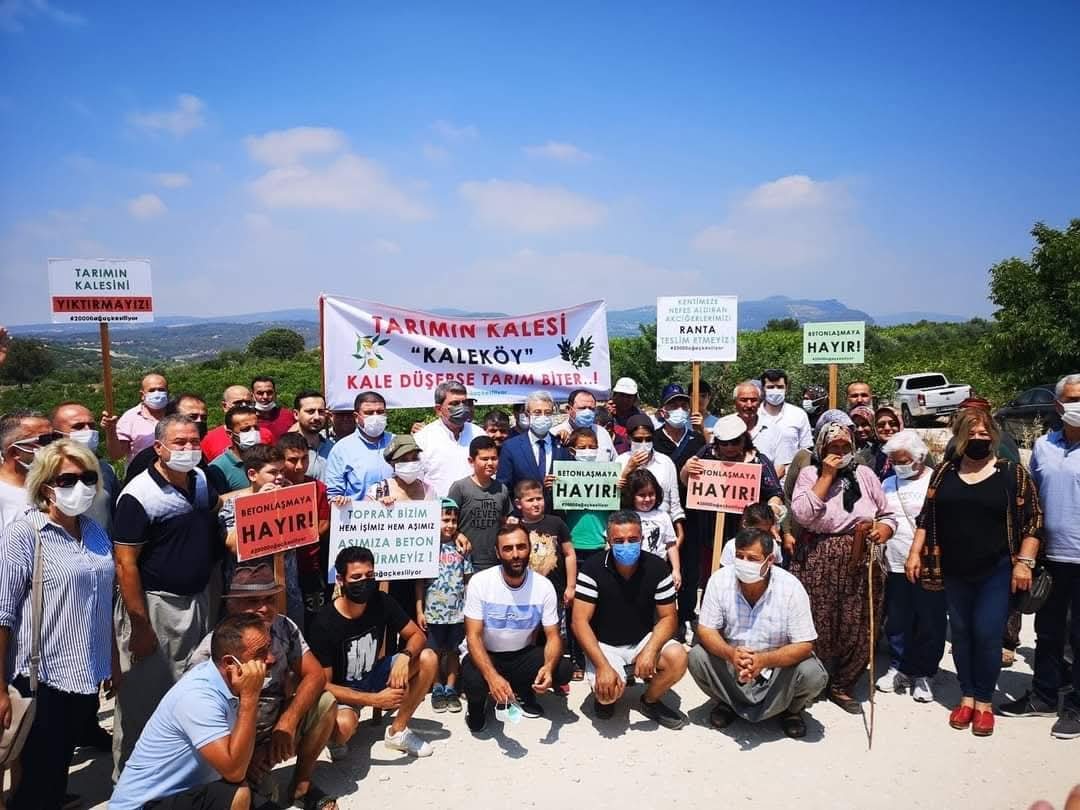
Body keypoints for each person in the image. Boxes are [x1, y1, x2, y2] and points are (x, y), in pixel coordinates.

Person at [904, 408, 1041, 737]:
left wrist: (1025, 562)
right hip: (952, 569)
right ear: (960, 437)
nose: (979, 439)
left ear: (993, 436)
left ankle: (984, 701)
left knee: (987, 633)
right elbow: (927, 516)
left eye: (985, 434)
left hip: (996, 569)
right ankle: (966, 696)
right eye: (972, 434)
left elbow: (1033, 519)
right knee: (962, 633)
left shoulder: (1011, 473)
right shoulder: (945, 473)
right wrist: (914, 552)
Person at [0, 439, 114, 809]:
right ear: (45, 484)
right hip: (41, 679)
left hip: (85, 676)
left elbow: (101, 601)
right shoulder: (25, 534)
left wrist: (111, 659)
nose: (79, 486)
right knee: (38, 780)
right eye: (67, 479)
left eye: (87, 477)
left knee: (56, 771)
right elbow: (2, 615)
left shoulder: (94, 530)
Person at [112, 413, 223, 778]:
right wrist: (140, 626)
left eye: (194, 442)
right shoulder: (137, 496)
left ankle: (181, 775)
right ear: (158, 448)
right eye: (179, 443)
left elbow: (211, 514)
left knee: (192, 690)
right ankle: (130, 782)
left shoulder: (201, 481)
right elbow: (126, 564)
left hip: (199, 600)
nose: (189, 449)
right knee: (145, 699)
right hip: (158, 605)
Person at [186, 563, 338, 808]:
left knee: (326, 703)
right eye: (252, 601)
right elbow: (206, 728)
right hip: (233, 742)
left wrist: (287, 723)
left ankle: (302, 785)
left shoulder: (285, 627)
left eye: (270, 599)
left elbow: (316, 675)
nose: (264, 608)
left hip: (274, 728)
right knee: (258, 797)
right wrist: (248, 756)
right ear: (231, 605)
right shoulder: (210, 653)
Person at [109, 613, 270, 810]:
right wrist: (250, 698)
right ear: (230, 664)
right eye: (261, 653)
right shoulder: (198, 697)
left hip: (187, 793)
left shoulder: (225, 684)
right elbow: (234, 771)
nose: (271, 658)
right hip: (145, 805)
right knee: (238, 794)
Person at [790, 419, 896, 713]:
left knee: (857, 620)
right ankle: (815, 678)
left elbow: (887, 513)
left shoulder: (865, 474)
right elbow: (801, 514)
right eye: (832, 447)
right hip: (818, 555)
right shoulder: (809, 473)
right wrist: (826, 475)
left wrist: (884, 529)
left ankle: (843, 683)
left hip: (861, 553)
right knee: (817, 619)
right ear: (821, 447)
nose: (839, 451)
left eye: (844, 446)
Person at [689, 527, 827, 739]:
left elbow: (805, 644)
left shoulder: (791, 587)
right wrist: (730, 655)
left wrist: (763, 660)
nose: (744, 563)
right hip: (733, 664)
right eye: (739, 556)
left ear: (769, 560)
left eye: (752, 558)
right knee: (697, 657)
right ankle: (727, 702)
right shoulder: (719, 580)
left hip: (775, 668)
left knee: (813, 673)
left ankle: (791, 711)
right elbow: (706, 629)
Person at [1001, 373, 1080, 739]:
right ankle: (1044, 696)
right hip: (1051, 557)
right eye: (1074, 399)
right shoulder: (1044, 447)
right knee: (1047, 632)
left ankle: (1076, 708)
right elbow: (1032, 503)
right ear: (1059, 405)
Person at [308, 546, 438, 758]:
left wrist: (404, 657)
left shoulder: (381, 601)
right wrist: (374, 700)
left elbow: (417, 636)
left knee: (428, 657)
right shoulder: (324, 623)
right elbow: (323, 685)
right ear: (341, 580)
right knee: (343, 729)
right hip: (343, 691)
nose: (364, 582)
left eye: (369, 575)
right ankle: (333, 736)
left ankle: (398, 731)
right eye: (356, 577)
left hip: (375, 673)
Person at [573, 511, 688, 727]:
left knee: (678, 656)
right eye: (619, 541)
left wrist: (651, 649)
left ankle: (650, 700)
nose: (627, 545)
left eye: (633, 540)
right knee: (607, 694)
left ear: (642, 539)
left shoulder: (657, 567)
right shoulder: (592, 568)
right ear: (608, 541)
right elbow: (579, 622)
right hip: (604, 645)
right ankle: (610, 686)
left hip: (641, 640)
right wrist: (603, 665)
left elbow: (668, 617)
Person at [50, 402, 121, 751]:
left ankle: (86, 724)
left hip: (102, 570)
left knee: (96, 651)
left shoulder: (103, 469)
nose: (88, 430)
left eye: (91, 423)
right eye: (78, 425)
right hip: (65, 578)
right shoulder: (48, 478)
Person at [460, 525, 572, 731]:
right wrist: (492, 677)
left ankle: (522, 691)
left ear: (529, 548)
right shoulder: (480, 582)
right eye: (508, 549)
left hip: (522, 654)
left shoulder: (543, 586)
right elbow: (473, 637)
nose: (515, 554)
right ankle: (477, 706)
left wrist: (547, 668)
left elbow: (553, 636)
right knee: (474, 680)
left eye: (521, 547)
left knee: (563, 669)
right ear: (497, 552)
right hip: (487, 653)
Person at [876, 430, 944, 703]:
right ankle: (899, 665)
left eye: (902, 460)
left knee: (930, 620)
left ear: (919, 457)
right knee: (898, 618)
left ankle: (925, 672)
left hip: (928, 564)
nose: (897, 465)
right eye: (893, 460)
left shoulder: (936, 480)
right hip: (894, 562)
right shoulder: (887, 483)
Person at [680, 414, 785, 566]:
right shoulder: (707, 453)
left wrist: (771, 515)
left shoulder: (759, 461)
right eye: (724, 443)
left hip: (747, 538)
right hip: (710, 535)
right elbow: (688, 484)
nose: (729, 447)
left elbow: (775, 493)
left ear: (744, 439)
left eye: (735, 442)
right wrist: (686, 469)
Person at [219, 445, 304, 628]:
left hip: (288, 594)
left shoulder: (290, 498)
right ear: (252, 475)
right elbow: (233, 546)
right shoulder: (234, 505)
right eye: (273, 472)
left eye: (282, 471)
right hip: (250, 600)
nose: (280, 477)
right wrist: (260, 506)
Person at [561, 427, 615, 677]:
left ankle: (602, 655)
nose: (587, 451)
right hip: (573, 551)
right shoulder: (564, 476)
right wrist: (552, 486)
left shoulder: (608, 476)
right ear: (571, 451)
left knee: (602, 607)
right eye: (581, 447)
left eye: (591, 446)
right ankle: (576, 658)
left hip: (600, 549)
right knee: (575, 609)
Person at [415, 498, 473, 713]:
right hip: (432, 612)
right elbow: (420, 583)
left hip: (457, 612)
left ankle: (450, 688)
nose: (449, 525)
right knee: (434, 651)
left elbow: (468, 580)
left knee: (453, 652)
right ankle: (436, 686)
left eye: (453, 520)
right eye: (445, 519)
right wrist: (419, 610)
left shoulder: (462, 548)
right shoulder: (426, 548)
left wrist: (470, 609)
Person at [278, 432, 333, 629]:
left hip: (310, 567)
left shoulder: (319, 488)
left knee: (313, 618)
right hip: (278, 570)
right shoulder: (271, 490)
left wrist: (296, 538)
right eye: (292, 460)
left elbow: (324, 524)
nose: (300, 466)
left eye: (304, 459)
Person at [617, 415, 685, 549]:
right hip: (630, 530)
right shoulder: (620, 461)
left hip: (662, 530)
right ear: (629, 438)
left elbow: (674, 502)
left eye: (648, 439)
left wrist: (680, 532)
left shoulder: (665, 462)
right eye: (638, 439)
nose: (643, 443)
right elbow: (615, 498)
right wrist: (628, 469)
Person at [449, 436, 511, 572]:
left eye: (494, 458)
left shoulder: (502, 489)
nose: (490, 463)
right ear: (471, 461)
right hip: (464, 560)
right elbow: (446, 522)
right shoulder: (460, 488)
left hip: (494, 562)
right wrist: (457, 535)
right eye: (484, 459)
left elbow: (504, 520)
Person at [414, 382, 484, 497]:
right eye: (455, 403)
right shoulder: (422, 439)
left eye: (465, 403)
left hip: (475, 509)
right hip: (438, 510)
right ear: (438, 410)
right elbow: (416, 481)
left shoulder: (479, 434)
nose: (462, 407)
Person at [323, 391, 394, 505]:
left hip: (397, 517)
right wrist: (339, 500)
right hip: (358, 519)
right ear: (356, 417)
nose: (375, 416)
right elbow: (333, 494)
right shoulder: (342, 449)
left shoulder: (397, 443)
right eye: (369, 413)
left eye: (380, 412)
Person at [496, 390, 563, 511]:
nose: (543, 416)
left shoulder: (562, 446)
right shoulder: (511, 447)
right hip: (521, 520)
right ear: (527, 414)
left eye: (547, 413)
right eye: (537, 412)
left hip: (556, 520)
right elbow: (503, 487)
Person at [125, 393, 211, 484]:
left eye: (204, 418)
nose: (199, 422)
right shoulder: (146, 460)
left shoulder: (196, 456)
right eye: (192, 417)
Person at [622, 469, 680, 581]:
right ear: (631, 495)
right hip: (631, 570)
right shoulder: (624, 516)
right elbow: (611, 543)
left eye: (651, 494)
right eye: (642, 495)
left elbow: (671, 545)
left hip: (659, 570)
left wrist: (676, 570)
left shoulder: (663, 516)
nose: (647, 499)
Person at [0, 410, 54, 529]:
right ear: (14, 452)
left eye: (55, 438)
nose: (54, 446)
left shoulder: (53, 486)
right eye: (45, 441)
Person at [755, 368, 813, 479]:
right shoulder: (753, 415)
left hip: (790, 480)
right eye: (771, 387)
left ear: (786, 388)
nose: (776, 390)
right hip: (758, 479)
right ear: (763, 389)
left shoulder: (799, 415)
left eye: (780, 387)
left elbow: (806, 451)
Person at [104, 372, 169, 462]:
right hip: (141, 473)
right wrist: (110, 431)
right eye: (152, 390)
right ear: (142, 395)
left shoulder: (177, 413)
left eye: (161, 390)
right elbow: (116, 455)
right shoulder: (129, 418)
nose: (157, 393)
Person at [201, 386, 272, 463]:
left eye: (248, 403)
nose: (244, 406)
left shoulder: (266, 434)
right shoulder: (208, 439)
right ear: (225, 406)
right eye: (238, 403)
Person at [207, 404, 265, 494]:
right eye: (246, 429)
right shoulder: (217, 469)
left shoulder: (268, 457)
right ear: (230, 434)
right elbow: (217, 504)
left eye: (256, 428)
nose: (253, 433)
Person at [551, 388, 618, 462]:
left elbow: (615, 462)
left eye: (591, 409)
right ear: (568, 409)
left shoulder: (602, 433)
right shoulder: (555, 434)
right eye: (582, 408)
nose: (587, 412)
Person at [288, 390, 334, 482]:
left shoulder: (332, 448)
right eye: (310, 411)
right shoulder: (287, 450)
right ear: (296, 414)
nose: (317, 417)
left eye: (321, 411)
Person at [608, 377, 647, 454]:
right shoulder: (606, 413)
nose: (625, 400)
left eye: (629, 396)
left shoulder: (641, 418)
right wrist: (606, 416)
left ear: (634, 398)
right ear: (614, 396)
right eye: (622, 395)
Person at [252, 375, 296, 441]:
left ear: (275, 394)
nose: (265, 397)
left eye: (269, 392)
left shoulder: (288, 415)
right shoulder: (248, 419)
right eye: (260, 393)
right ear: (253, 395)